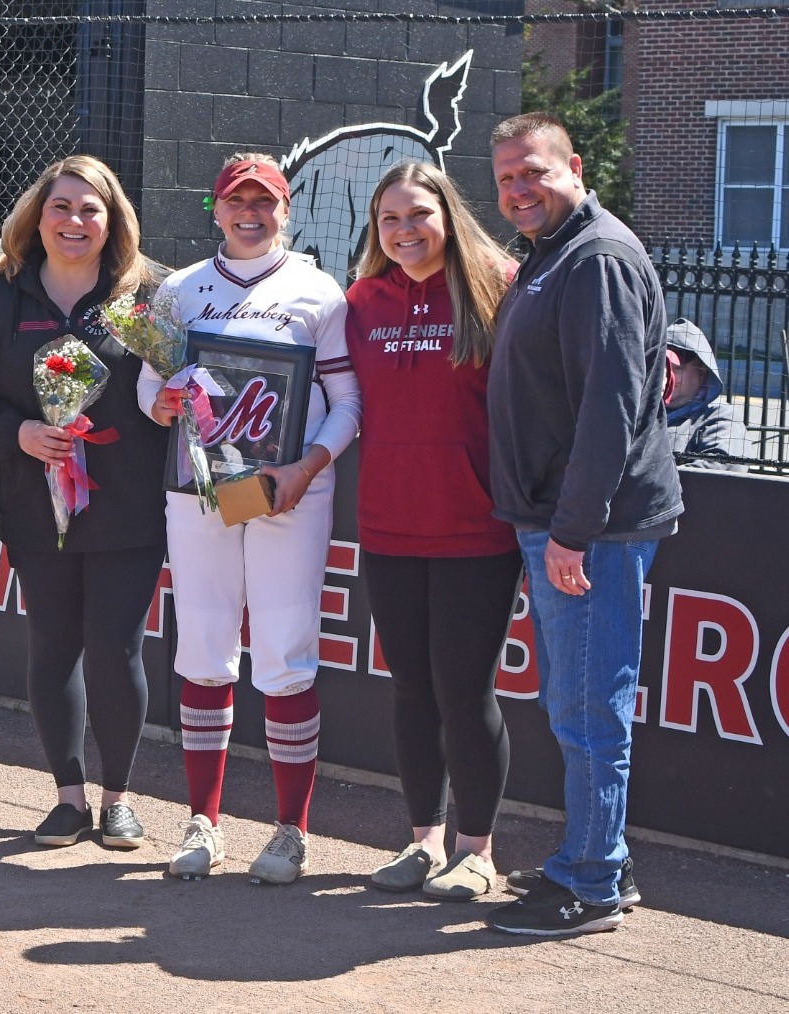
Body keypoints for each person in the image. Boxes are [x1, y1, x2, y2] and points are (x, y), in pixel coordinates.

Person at [485, 113, 682, 936]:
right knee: (572, 702)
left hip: (589, 530)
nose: (517, 190)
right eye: (503, 180)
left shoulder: (595, 257)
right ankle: (594, 856)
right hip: (562, 520)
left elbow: (608, 410)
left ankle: (593, 885)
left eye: (531, 172)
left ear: (571, 165)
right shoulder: (554, 254)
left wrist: (571, 530)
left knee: (586, 709)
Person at [139, 153, 361, 884]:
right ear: (215, 208)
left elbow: (347, 403)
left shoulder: (318, 290)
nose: (249, 213)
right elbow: (148, 388)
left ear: (285, 211)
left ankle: (289, 831)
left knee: (285, 655)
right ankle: (204, 820)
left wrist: (308, 467)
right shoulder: (177, 290)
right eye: (236, 200)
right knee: (202, 647)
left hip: (282, 491)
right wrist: (161, 403)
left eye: (262, 201)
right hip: (199, 485)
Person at [0, 156, 166, 848]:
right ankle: (68, 797)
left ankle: (118, 799)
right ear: (36, 217)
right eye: (60, 207)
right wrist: (16, 432)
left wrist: (172, 402)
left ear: (113, 223)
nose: (74, 221)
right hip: (32, 500)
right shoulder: (2, 294)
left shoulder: (141, 297)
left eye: (89, 210)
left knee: (115, 650)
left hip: (125, 504)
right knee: (51, 646)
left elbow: (177, 387)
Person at [344, 161, 522, 900]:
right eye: (389, 220)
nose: (404, 231)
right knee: (409, 688)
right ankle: (421, 841)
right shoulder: (358, 301)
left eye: (418, 215)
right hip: (387, 524)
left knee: (462, 689)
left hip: (474, 529)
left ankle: (475, 851)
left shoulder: (496, 287)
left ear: (447, 215)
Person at [662, 317, 750, 471]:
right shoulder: (641, 412)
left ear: (702, 371)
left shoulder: (719, 416)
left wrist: (648, 479)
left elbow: (722, 468)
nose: (667, 375)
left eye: (677, 368)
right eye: (661, 367)